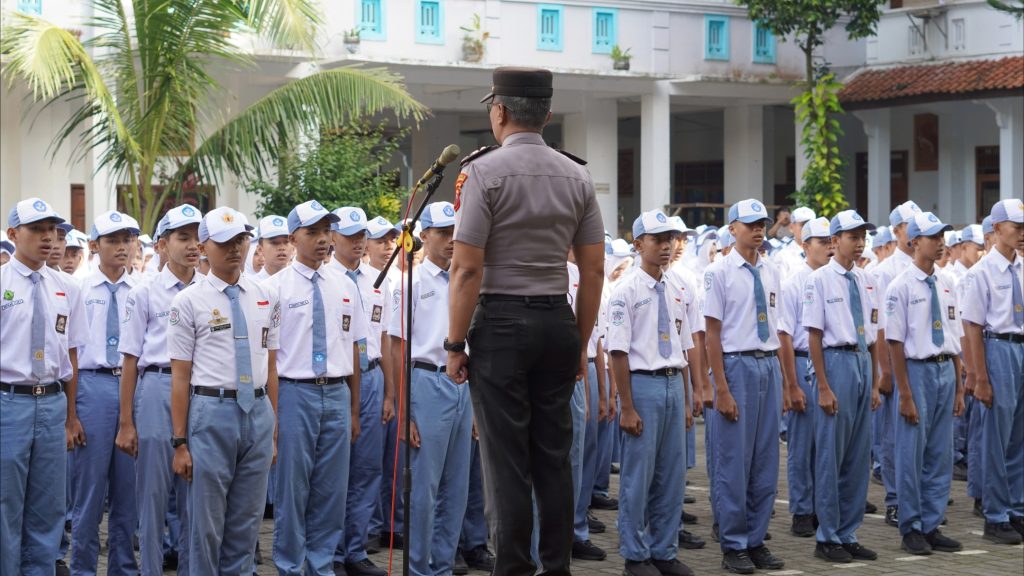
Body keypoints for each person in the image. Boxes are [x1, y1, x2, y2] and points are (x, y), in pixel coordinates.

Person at [445, 66, 605, 575]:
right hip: (558, 319)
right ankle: (556, 568)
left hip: (502, 324)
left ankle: (512, 569)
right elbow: (594, 266)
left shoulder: (484, 173)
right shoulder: (577, 174)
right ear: (548, 115)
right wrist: (579, 342)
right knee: (554, 459)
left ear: (499, 111)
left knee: (506, 465)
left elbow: (467, 267)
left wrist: (453, 343)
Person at [168, 207, 280, 573]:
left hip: (258, 412)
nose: (235, 248)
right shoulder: (189, 300)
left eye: (241, 240)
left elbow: (271, 365)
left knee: (246, 526)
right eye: (224, 242)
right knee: (206, 525)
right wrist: (180, 441)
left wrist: (273, 430)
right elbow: (180, 376)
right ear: (203, 247)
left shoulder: (264, 295)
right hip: (211, 411)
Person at [263, 200, 367, 574]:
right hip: (295, 392)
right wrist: (272, 415)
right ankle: (290, 565)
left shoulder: (344, 285)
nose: (322, 239)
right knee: (293, 489)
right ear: (293, 238)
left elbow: (355, 348)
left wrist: (354, 408)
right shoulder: (273, 288)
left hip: (336, 392)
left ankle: (321, 565)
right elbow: (269, 357)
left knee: (331, 490)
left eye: (326, 231)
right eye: (312, 232)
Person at [609, 209, 704, 576]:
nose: (667, 246)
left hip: (671, 382)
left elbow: (684, 347)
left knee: (672, 475)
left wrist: (688, 393)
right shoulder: (626, 290)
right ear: (637, 245)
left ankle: (664, 549)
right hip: (643, 385)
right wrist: (627, 405)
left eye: (671, 239)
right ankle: (635, 555)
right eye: (658, 240)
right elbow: (617, 351)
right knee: (638, 476)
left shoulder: (677, 286)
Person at [1, 198, 88, 576]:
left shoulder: (67, 287)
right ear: (13, 234)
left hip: (51, 403)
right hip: (8, 402)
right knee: (6, 503)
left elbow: (71, 359)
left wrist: (71, 417)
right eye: (37, 229)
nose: (48, 238)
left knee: (48, 505)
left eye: (53, 230)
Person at [115, 204, 202, 575]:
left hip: (200, 391)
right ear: (163, 245)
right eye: (184, 238)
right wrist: (126, 422)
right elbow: (131, 359)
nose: (193, 245)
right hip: (156, 387)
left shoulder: (211, 289)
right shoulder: (144, 293)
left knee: (195, 496)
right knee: (152, 495)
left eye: (198, 237)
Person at [389, 201, 473, 576]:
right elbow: (396, 347)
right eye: (443, 233)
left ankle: (442, 565)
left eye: (457, 231)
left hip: (463, 384)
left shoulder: (470, 277)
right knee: (424, 488)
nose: (453, 240)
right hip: (425, 380)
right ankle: (418, 567)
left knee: (457, 488)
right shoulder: (409, 283)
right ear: (423, 236)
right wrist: (403, 409)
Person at [703, 198, 785, 575]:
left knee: (766, 461)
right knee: (734, 461)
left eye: (762, 223)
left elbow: (779, 330)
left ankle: (756, 539)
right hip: (736, 366)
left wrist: (785, 381)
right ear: (732, 227)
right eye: (750, 223)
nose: (758, 229)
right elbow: (712, 335)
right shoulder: (719, 272)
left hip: (768, 364)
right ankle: (733, 543)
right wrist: (720, 387)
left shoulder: (771, 270)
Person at [802, 210, 881, 563]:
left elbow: (875, 336)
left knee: (857, 455)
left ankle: (848, 532)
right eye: (852, 235)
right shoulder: (819, 280)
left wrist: (877, 382)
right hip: (836, 363)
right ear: (834, 242)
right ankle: (827, 535)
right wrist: (822, 384)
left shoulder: (866, 279)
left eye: (862, 234)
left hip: (862, 360)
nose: (859, 241)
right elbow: (814, 336)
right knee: (832, 455)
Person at [885, 211, 965, 555]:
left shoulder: (946, 282)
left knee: (939, 453)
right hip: (916, 372)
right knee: (911, 453)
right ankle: (911, 525)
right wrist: (904, 393)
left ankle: (932, 524)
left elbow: (955, 337)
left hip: (945, 369)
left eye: (942, 236)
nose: (940, 243)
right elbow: (895, 344)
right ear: (913, 241)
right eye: (933, 237)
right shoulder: (900, 286)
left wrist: (960, 386)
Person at [71, 210, 141, 575]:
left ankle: (123, 568)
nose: (122, 247)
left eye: (127, 239)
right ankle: (83, 567)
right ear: (94, 245)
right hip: (92, 385)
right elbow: (68, 351)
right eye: (113, 240)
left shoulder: (142, 288)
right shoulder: (78, 288)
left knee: (129, 492)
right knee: (90, 491)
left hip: (133, 385)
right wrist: (73, 413)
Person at [327, 206, 395, 576]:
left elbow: (383, 337)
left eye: (361, 236)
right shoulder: (326, 279)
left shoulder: (376, 279)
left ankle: (355, 549)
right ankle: (332, 552)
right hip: (339, 380)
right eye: (349, 236)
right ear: (332, 237)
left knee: (368, 470)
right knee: (336, 473)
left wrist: (388, 393)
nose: (357, 242)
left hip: (371, 378)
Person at [960, 198, 1024, 545]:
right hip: (996, 348)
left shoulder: (1022, 268)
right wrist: (978, 375)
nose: (1022, 234)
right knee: (995, 440)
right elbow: (972, 326)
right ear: (997, 229)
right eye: (1016, 227)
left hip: (1021, 346)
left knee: (1018, 437)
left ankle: (1016, 509)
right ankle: (995, 514)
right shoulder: (981, 273)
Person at [778, 217, 833, 538]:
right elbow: (785, 335)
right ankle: (801, 508)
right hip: (801, 362)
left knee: (827, 444)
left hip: (831, 363)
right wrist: (791, 383)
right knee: (802, 443)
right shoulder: (794, 282)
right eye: (821, 242)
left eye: (830, 241)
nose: (828, 247)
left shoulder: (835, 278)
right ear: (804, 245)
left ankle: (821, 505)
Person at [871, 200, 923, 527]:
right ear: (896, 232)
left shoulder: (929, 269)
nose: (916, 231)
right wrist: (885, 371)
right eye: (909, 226)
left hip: (921, 363)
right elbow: (879, 327)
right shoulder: (883, 272)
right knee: (892, 435)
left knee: (921, 435)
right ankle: (894, 499)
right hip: (893, 362)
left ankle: (916, 497)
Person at [252, 215, 292, 281]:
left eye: (286, 242)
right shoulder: (252, 286)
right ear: (260, 249)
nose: (281, 248)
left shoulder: (302, 282)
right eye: (274, 243)